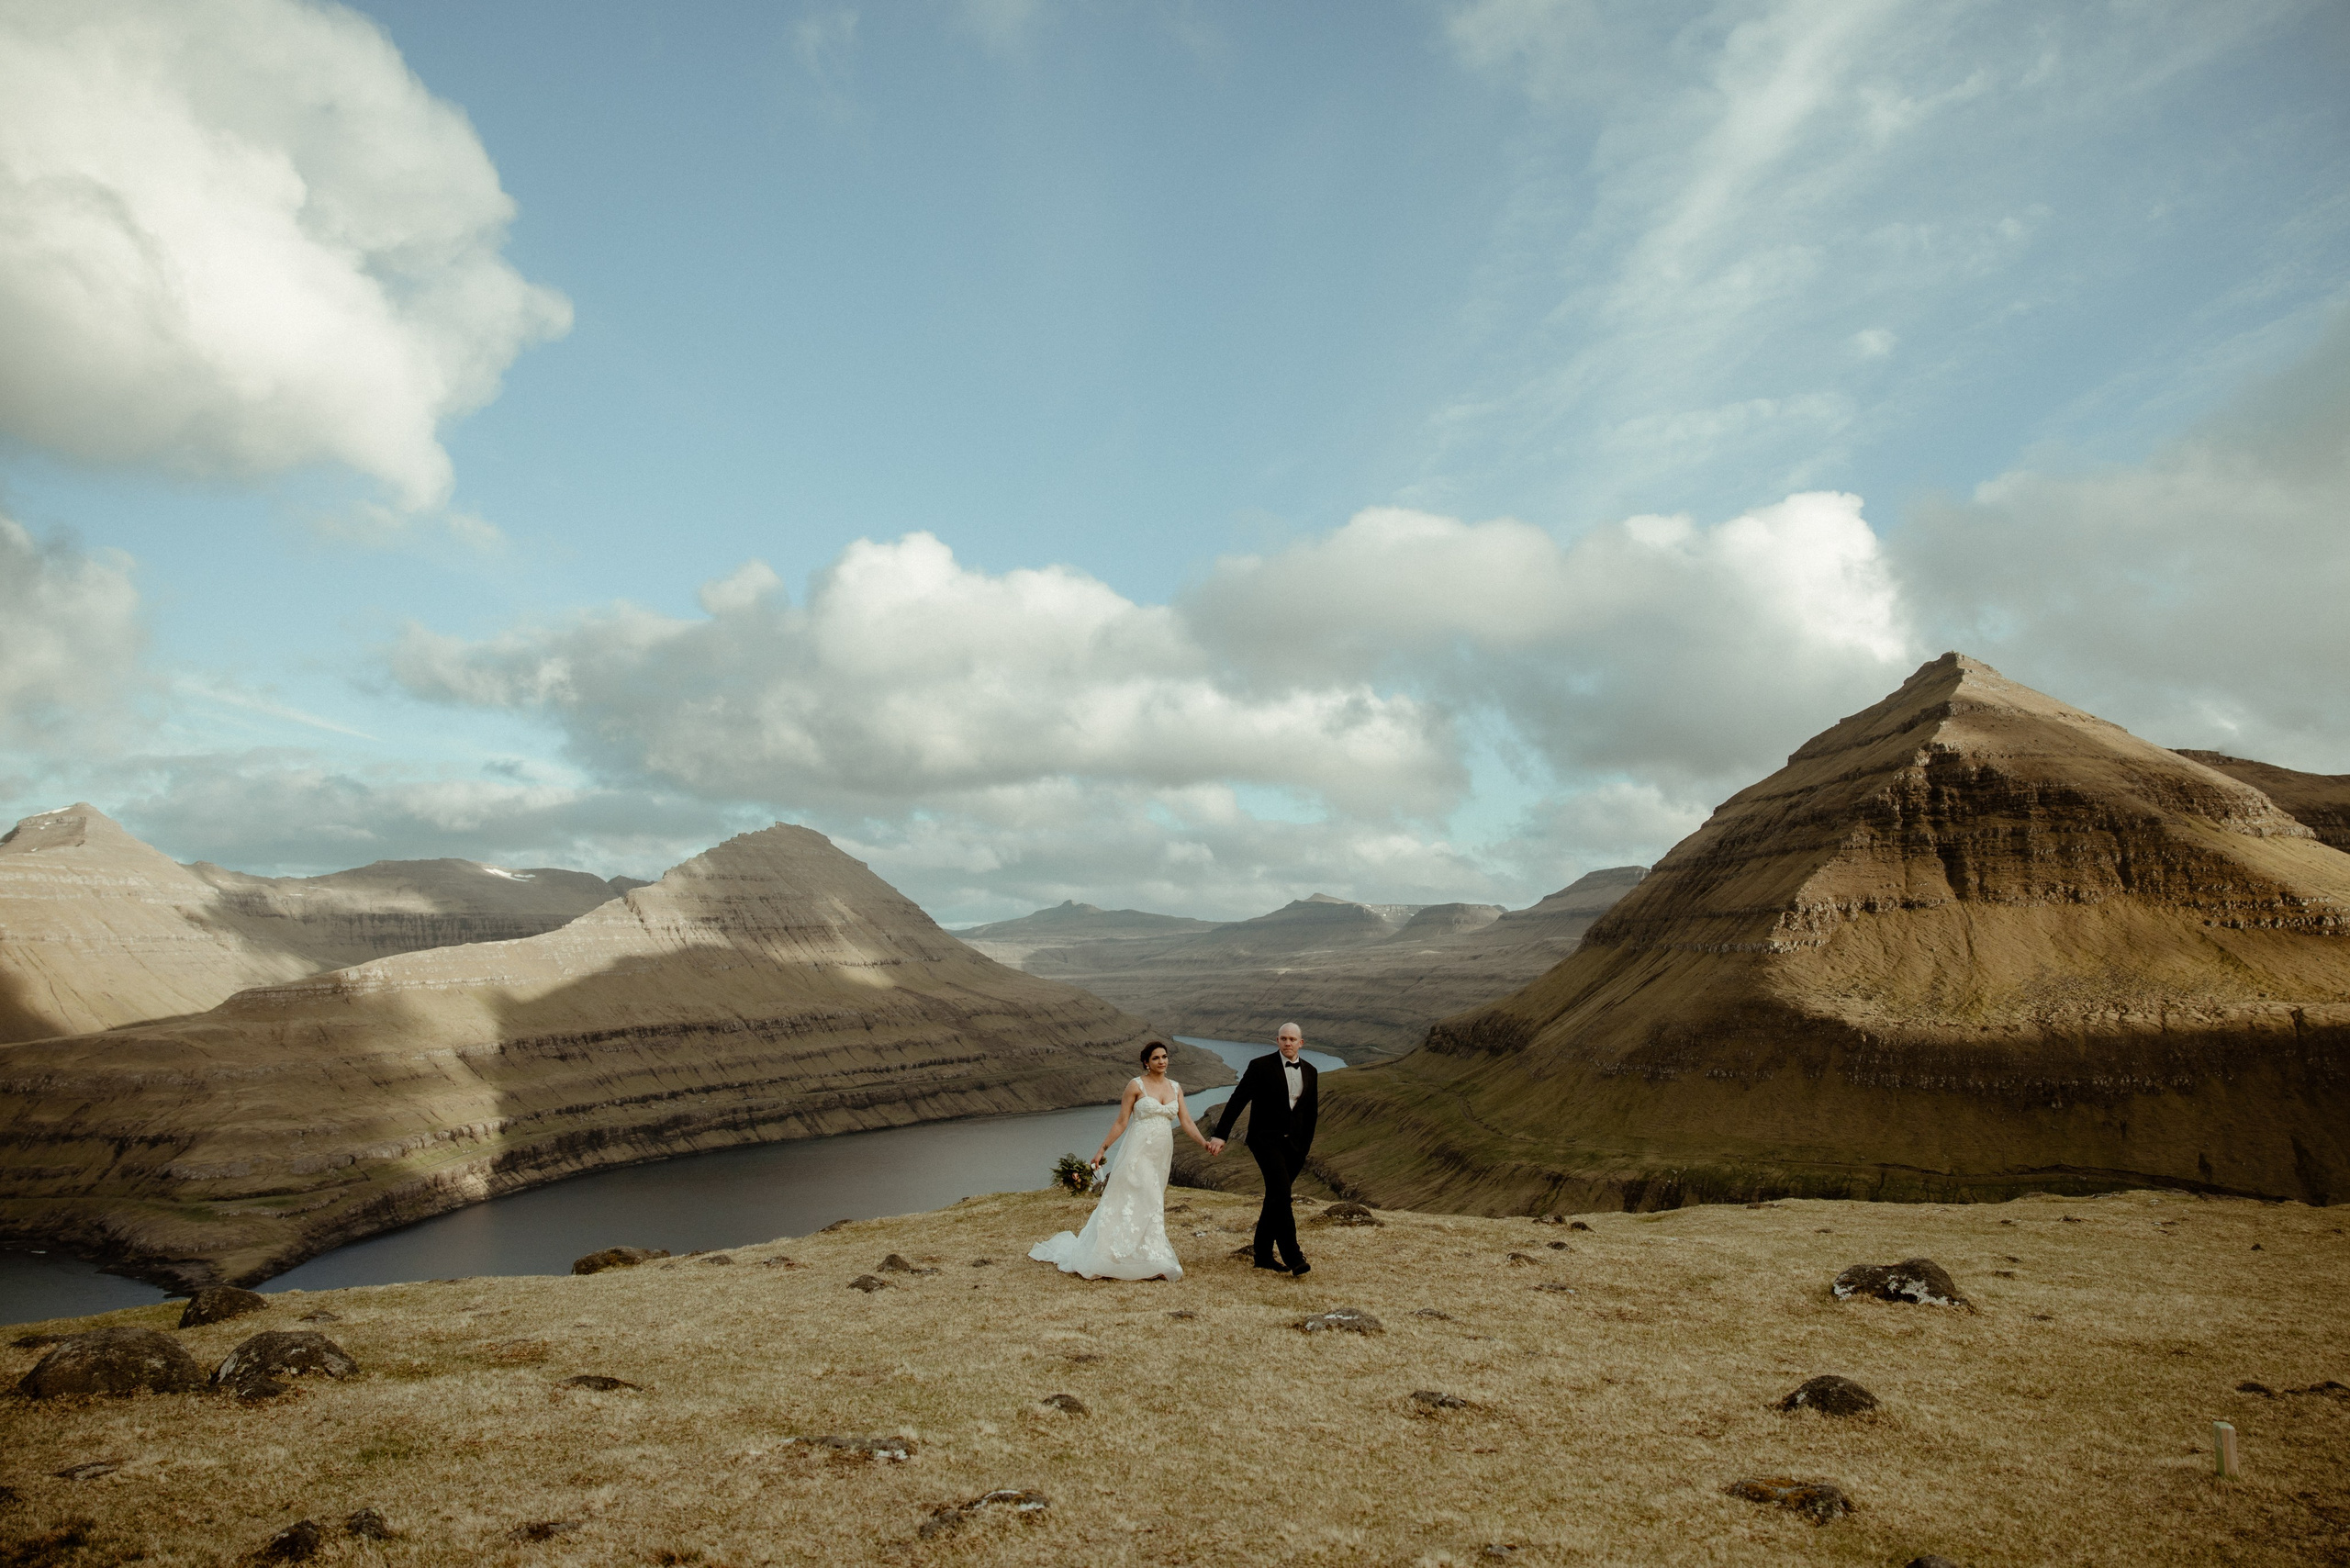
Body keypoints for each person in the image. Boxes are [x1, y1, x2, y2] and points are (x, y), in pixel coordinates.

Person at [1029, 1041, 1213, 1281]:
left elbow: (1186, 1121)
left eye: (1165, 1056)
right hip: (1137, 1151)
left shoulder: (1175, 1087)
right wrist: (1102, 1150)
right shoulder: (1136, 1085)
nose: (1162, 1061)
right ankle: (1113, 1254)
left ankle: (1149, 1255)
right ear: (1146, 1062)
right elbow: (1121, 1122)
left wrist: (1204, 1143)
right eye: (1156, 1058)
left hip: (1161, 1154)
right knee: (1139, 1195)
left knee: (1153, 1200)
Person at [1204, 1022, 1317, 1276]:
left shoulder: (1311, 1071)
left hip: (1296, 1146)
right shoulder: (1260, 1066)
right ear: (1277, 1041)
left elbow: (1311, 1113)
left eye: (1292, 1039)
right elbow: (1238, 1099)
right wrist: (1220, 1135)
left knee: (1276, 1196)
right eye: (1283, 1038)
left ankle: (1263, 1256)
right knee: (1282, 1194)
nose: (1287, 1043)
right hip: (1266, 1141)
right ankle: (1294, 1257)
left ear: (1301, 1043)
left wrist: (1305, 1146)